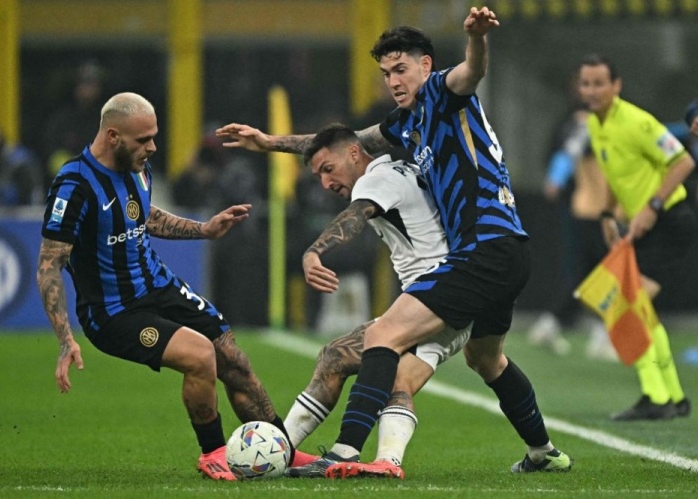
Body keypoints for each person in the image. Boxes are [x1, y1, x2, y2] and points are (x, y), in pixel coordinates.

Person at [218, 6, 572, 475]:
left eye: (401, 69)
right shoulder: (406, 122)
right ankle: (543, 452)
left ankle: (345, 452)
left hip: (485, 247)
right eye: (386, 73)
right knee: (487, 359)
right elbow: (342, 142)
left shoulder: (443, 92)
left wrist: (477, 38)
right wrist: (269, 142)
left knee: (384, 336)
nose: (393, 81)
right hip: (505, 250)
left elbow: (472, 72)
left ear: (425, 65)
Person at [36, 92, 315, 481]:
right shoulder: (75, 184)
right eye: (143, 140)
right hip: (114, 313)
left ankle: (283, 450)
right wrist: (65, 339)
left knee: (233, 358)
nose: (152, 147)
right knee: (200, 355)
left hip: (158, 286)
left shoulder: (137, 167)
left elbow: (143, 215)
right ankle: (214, 454)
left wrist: (204, 229)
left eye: (154, 137)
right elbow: (49, 265)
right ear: (113, 136)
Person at [282, 123, 471, 478]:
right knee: (366, 366)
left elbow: (354, 217)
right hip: (453, 297)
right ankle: (376, 460)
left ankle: (310, 451)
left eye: (328, 169)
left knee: (360, 356)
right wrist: (267, 142)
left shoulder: (375, 180)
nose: (325, 183)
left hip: (434, 297)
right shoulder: (402, 170)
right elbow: (332, 140)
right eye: (319, 175)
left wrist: (314, 251)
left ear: (355, 154)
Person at [578, 54, 696, 421]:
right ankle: (671, 396)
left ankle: (658, 399)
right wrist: (608, 213)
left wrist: (652, 207)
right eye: (586, 83)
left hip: (671, 220)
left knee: (630, 303)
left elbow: (684, 162)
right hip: (647, 226)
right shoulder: (595, 124)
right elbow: (616, 175)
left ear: (616, 86)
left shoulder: (637, 122)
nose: (592, 91)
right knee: (639, 307)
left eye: (599, 83)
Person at [527, 107, 617, 361]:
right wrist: (556, 178)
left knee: (590, 274)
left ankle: (553, 324)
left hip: (599, 211)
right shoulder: (590, 124)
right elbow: (569, 152)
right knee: (601, 275)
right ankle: (597, 335)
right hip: (594, 212)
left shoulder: (608, 124)